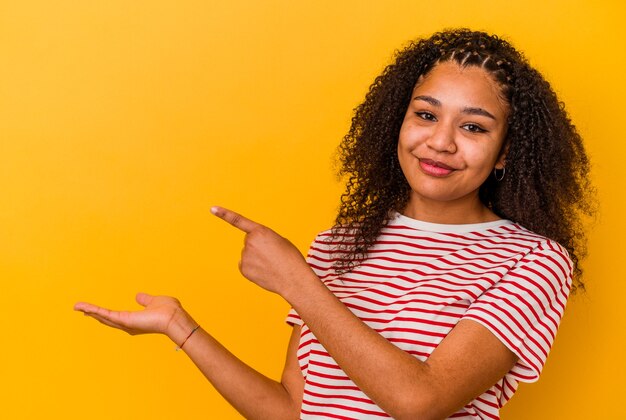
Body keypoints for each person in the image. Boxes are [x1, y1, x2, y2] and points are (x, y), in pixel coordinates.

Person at [74, 29, 595, 419]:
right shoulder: (340, 244)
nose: (441, 142)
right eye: (426, 115)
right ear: (400, 122)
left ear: (505, 153)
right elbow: (291, 411)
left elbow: (421, 401)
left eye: (474, 127)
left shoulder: (534, 260)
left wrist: (296, 281)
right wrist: (180, 328)